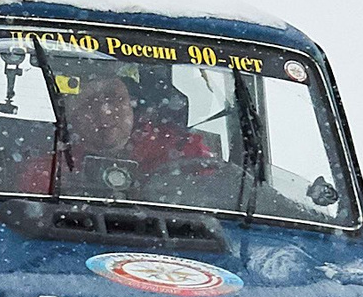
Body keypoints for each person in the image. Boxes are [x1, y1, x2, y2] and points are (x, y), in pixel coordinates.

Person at [21, 66, 217, 198]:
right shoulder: (50, 167)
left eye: (115, 99)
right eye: (90, 103)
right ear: (71, 114)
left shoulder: (182, 148)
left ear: (133, 106)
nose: (104, 111)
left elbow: (215, 194)